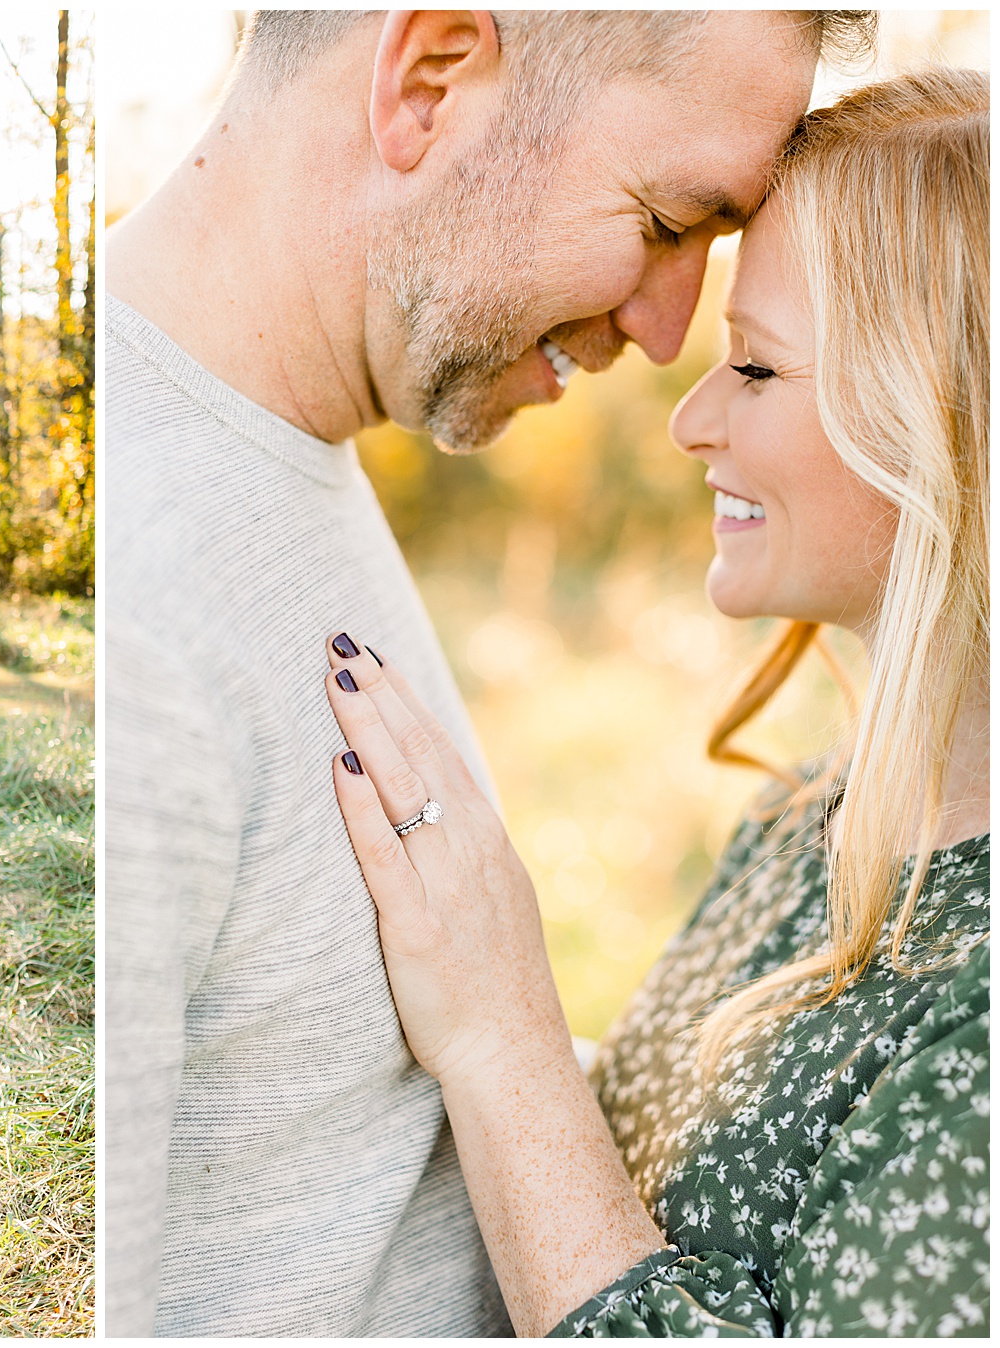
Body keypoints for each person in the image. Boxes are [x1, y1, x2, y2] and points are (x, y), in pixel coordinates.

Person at [104, 9, 876, 1336]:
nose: (670, 322)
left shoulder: (286, 444)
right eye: (668, 221)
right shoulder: (131, 626)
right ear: (432, 79)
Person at [324, 70, 987, 1337]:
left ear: (950, 416)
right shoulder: (818, 817)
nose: (689, 419)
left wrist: (503, 1032)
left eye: (755, 365)